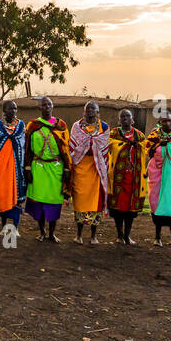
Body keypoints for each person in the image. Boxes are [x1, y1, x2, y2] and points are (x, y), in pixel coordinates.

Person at [24, 97, 71, 242]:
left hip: (56, 168)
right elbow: (27, 149)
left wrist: (67, 169)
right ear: (39, 108)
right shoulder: (32, 125)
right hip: (38, 168)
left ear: (53, 106)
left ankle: (52, 233)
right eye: (44, 105)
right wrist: (27, 168)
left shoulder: (61, 125)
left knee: (54, 203)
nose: (47, 107)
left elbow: (65, 149)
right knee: (39, 203)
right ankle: (42, 232)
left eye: (49, 104)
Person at [68, 100, 111, 244]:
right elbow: (73, 148)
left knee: (96, 203)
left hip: (96, 169)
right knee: (80, 202)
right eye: (88, 108)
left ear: (98, 111)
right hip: (81, 168)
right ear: (84, 111)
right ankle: (79, 235)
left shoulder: (104, 127)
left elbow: (104, 147)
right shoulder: (76, 127)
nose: (91, 111)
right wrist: (87, 145)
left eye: (94, 108)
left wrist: (93, 146)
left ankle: (94, 236)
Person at [145, 112, 171, 248]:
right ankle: (157, 237)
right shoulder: (153, 136)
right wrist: (159, 146)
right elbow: (149, 152)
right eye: (164, 121)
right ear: (159, 122)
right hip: (157, 173)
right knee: (156, 201)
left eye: (169, 121)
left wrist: (168, 146)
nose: (167, 123)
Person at [106, 108, 147, 245]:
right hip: (118, 177)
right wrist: (125, 145)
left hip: (133, 178)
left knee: (130, 210)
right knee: (118, 208)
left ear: (132, 119)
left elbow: (143, 149)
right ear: (119, 120)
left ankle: (127, 235)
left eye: (127, 116)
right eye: (122, 116)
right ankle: (119, 235)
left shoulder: (139, 136)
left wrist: (134, 145)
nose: (124, 118)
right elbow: (111, 145)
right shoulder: (114, 133)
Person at [0, 99, 27, 228]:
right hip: (1, 166)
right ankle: (4, 226)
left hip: (17, 167)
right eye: (10, 108)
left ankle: (15, 227)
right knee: (2, 194)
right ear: (4, 111)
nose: (13, 111)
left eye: (15, 108)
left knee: (16, 196)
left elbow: (24, 146)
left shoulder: (21, 126)